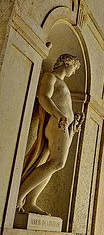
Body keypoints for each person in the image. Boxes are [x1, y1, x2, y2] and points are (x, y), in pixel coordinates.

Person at [17, 54, 84, 215]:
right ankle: (19, 197)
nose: (74, 72)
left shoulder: (63, 84)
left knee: (53, 165)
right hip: (57, 123)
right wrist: (59, 115)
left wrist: (73, 123)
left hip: (65, 125)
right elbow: (43, 97)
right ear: (66, 63)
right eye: (74, 68)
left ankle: (31, 202)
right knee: (57, 163)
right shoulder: (50, 77)